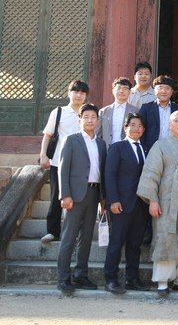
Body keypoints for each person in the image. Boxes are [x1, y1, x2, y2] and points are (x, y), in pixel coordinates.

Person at [136, 110, 178, 296]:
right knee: (165, 237)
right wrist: (153, 201)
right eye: (175, 121)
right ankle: (163, 280)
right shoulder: (160, 146)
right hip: (166, 202)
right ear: (170, 125)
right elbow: (151, 174)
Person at [56, 103, 106, 295]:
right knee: (69, 237)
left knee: (86, 237)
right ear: (79, 120)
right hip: (75, 195)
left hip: (94, 193)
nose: (90, 120)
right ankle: (63, 278)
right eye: (86, 117)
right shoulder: (71, 140)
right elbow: (63, 169)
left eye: (93, 117)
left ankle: (81, 275)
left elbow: (102, 171)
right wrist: (65, 194)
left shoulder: (101, 143)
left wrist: (103, 198)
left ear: (98, 121)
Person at [103, 113, 151, 294]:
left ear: (143, 130)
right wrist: (113, 200)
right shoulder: (117, 147)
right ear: (125, 128)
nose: (136, 128)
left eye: (140, 126)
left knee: (135, 244)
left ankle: (132, 278)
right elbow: (109, 175)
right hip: (121, 203)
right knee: (116, 242)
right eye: (133, 125)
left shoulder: (146, 149)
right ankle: (111, 278)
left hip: (141, 204)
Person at [39, 80, 89, 244]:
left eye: (82, 93)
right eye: (76, 92)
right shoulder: (59, 112)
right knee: (56, 197)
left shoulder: (87, 114)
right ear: (69, 93)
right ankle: (52, 231)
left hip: (80, 164)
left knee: (77, 199)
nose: (79, 95)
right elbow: (48, 134)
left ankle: (72, 232)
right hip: (58, 162)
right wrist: (43, 155)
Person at [139, 75, 178, 153]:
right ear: (154, 90)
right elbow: (141, 129)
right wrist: (144, 148)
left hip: (173, 150)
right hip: (151, 150)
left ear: (172, 91)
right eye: (160, 88)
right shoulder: (146, 108)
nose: (163, 91)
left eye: (167, 88)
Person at [97, 77, 139, 145]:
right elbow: (98, 134)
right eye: (118, 88)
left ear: (129, 92)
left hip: (127, 148)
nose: (121, 91)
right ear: (113, 91)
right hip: (108, 149)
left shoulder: (136, 111)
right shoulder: (103, 112)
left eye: (125, 89)